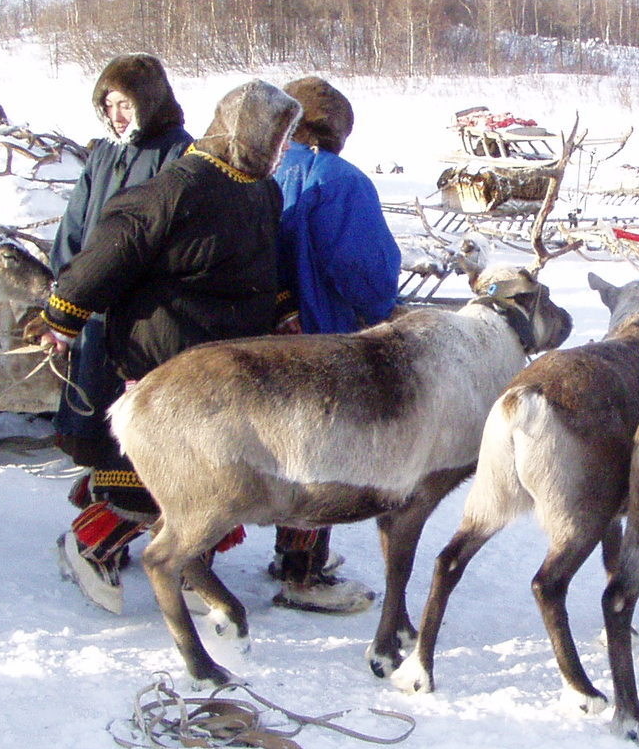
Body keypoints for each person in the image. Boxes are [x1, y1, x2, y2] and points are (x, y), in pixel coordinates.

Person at [37, 80, 299, 611]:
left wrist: (284, 312)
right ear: (246, 134)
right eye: (278, 137)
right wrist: (63, 316)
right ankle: (89, 543)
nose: (285, 149)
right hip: (167, 350)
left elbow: (264, 266)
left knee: (214, 468)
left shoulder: (261, 190)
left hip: (223, 355)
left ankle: (189, 561)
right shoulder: (176, 187)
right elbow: (111, 252)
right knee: (165, 471)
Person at [48, 55, 191, 610]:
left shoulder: (180, 155)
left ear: (149, 102)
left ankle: (117, 534)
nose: (114, 114)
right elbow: (75, 232)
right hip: (96, 317)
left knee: (144, 436)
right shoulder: (102, 156)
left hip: (143, 323)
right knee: (105, 426)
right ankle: (103, 534)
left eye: (124, 103)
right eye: (106, 104)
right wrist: (68, 296)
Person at [266, 77, 401, 613]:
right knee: (320, 455)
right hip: (323, 340)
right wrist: (379, 307)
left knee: (276, 448)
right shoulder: (341, 181)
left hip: (260, 337)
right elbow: (365, 273)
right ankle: (303, 571)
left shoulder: (262, 170)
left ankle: (287, 551)